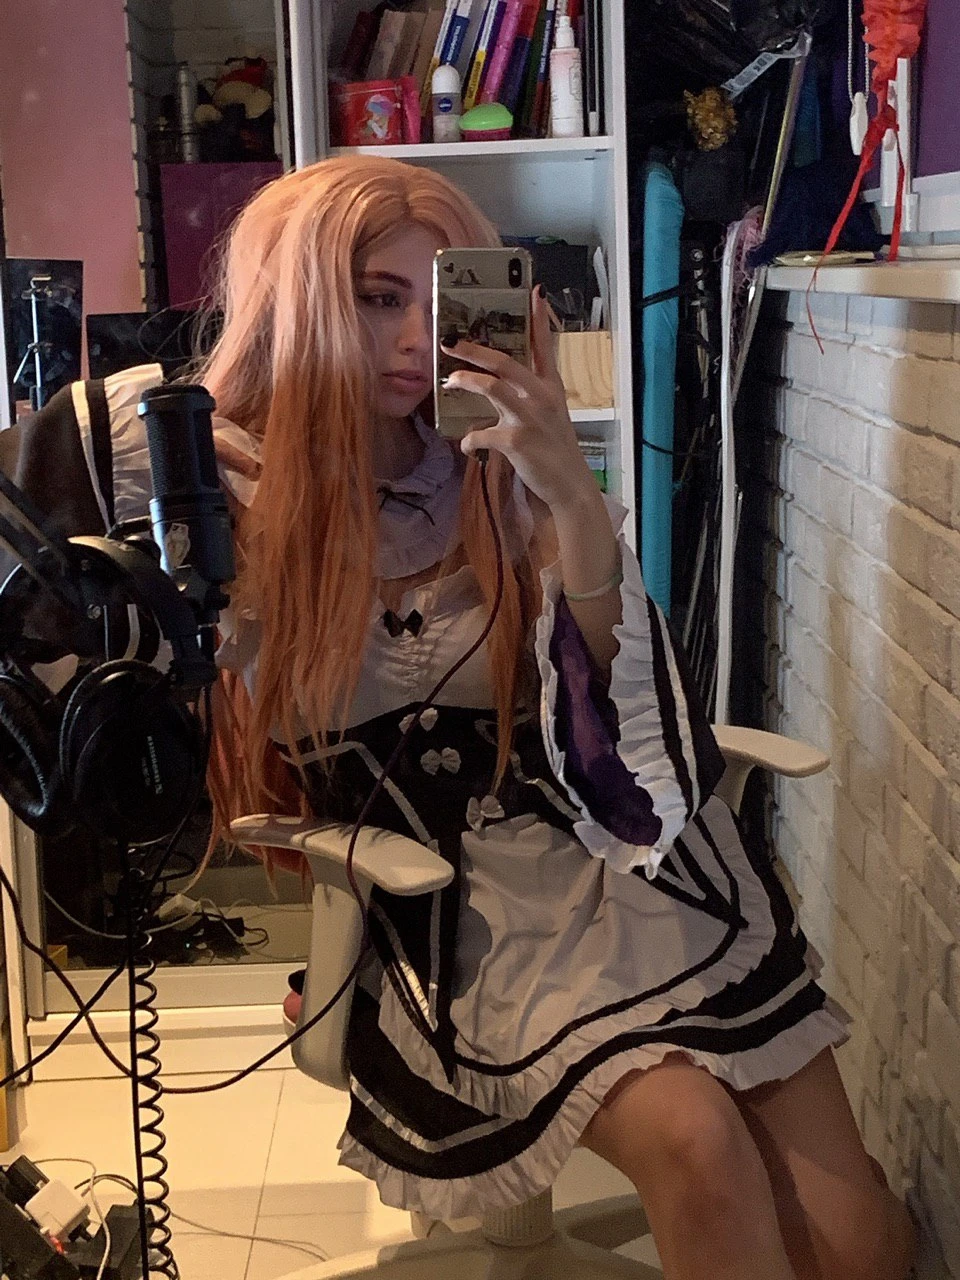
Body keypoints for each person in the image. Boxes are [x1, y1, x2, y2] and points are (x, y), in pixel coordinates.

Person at [1, 155, 916, 1280]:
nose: (414, 341)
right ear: (300, 295)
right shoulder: (201, 466)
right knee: (696, 1139)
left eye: (441, 301)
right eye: (377, 297)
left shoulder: (496, 461)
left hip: (626, 864)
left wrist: (567, 492)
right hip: (447, 913)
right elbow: (34, 565)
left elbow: (627, 733)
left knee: (864, 1250)